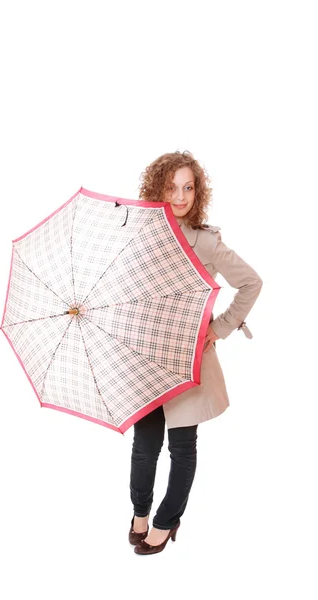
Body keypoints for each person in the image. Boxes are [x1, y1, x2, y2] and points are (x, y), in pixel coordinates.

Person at [129, 150, 263, 555]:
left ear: (197, 191)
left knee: (182, 445)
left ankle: (168, 521)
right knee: (145, 443)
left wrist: (219, 328)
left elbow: (252, 283)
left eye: (188, 187)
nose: (180, 195)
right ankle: (139, 512)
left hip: (189, 358)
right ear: (158, 189)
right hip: (148, 353)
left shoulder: (206, 241)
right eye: (172, 187)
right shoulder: (143, 234)